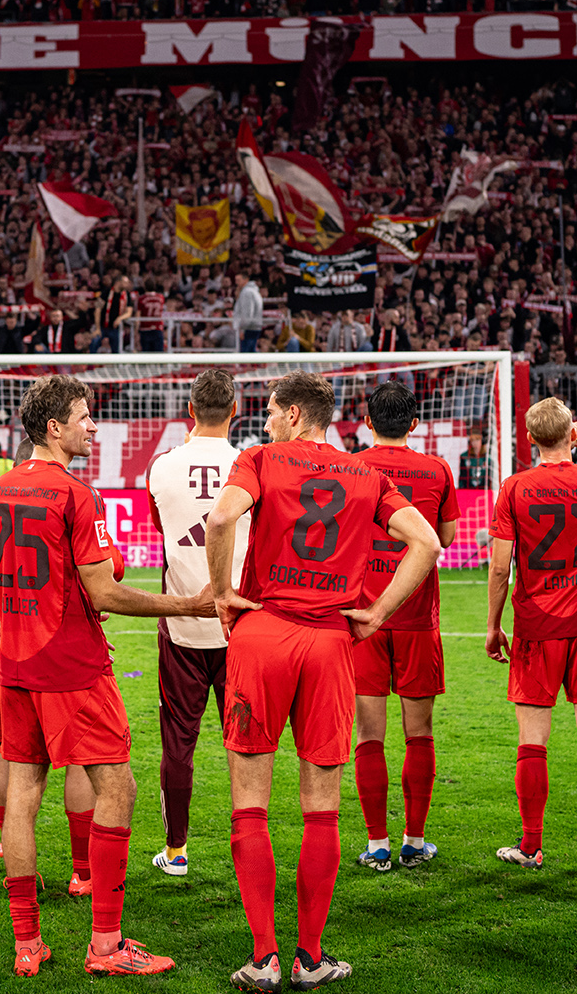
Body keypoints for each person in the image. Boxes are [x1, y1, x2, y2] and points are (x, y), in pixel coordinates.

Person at [204, 371, 441, 992]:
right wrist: (380, 609)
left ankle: (263, 958)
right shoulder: (366, 473)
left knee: (250, 801)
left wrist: (225, 592)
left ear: (291, 414)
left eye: (273, 412)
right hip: (332, 641)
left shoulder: (259, 459)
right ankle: (310, 957)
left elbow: (222, 518)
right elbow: (428, 541)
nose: (268, 420)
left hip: (265, 634)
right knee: (321, 808)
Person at [0, 374, 210, 978]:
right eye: (84, 417)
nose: (93, 426)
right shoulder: (78, 496)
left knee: (22, 799)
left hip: (16, 662)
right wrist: (187, 604)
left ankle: (27, 943)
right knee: (118, 789)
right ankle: (106, 945)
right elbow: (104, 590)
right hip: (73, 665)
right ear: (54, 427)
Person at [488, 398, 577, 877]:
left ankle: (531, 846)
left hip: (535, 626)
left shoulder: (515, 487)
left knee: (533, 739)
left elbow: (500, 565)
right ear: (573, 435)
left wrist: (493, 624)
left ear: (529, 439)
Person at [351, 381, 461, 872]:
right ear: (415, 424)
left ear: (368, 422)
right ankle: (415, 840)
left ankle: (377, 844)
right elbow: (443, 538)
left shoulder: (350, 465)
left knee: (368, 734)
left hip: (361, 615)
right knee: (419, 732)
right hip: (416, 613)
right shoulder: (437, 469)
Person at [144, 370, 249, 877]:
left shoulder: (161, 467)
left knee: (178, 741)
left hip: (182, 624)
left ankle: (177, 851)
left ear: (189, 410)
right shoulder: (250, 463)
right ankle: (245, 841)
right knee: (243, 740)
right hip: (240, 624)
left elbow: (159, 531)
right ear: (236, 410)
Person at [233, 273, 265, 353]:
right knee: (251, 353)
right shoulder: (252, 291)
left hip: (249, 328)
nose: (236, 283)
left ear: (246, 279)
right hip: (253, 326)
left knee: (246, 356)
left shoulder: (247, 292)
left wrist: (242, 330)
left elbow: (247, 314)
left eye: (239, 280)